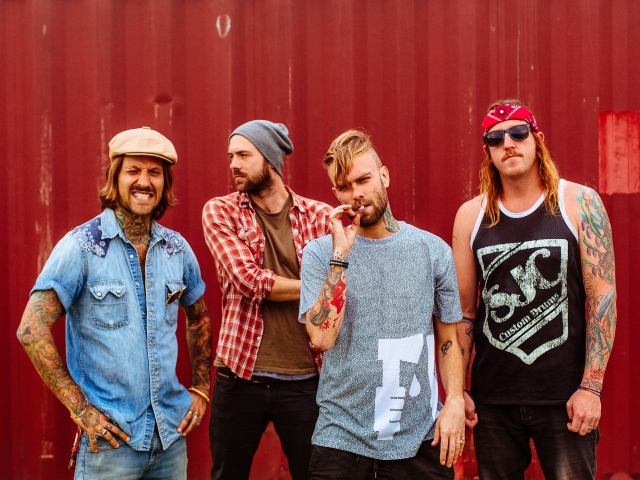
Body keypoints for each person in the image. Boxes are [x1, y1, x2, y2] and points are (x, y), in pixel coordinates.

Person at [16, 127, 212, 479]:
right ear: (115, 178)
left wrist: (201, 388)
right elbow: (31, 329)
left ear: (165, 182)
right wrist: (80, 409)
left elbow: (198, 317)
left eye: (154, 173)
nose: (144, 181)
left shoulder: (177, 250)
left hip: (170, 439)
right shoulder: (81, 247)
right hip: (109, 445)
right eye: (133, 170)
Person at [452, 100, 617, 479]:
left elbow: (602, 301)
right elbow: (464, 314)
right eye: (495, 139)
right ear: (487, 152)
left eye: (518, 133)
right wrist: (458, 392)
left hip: (567, 397)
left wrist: (591, 388)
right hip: (494, 400)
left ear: (537, 139)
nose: (508, 143)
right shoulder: (470, 216)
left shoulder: (579, 203)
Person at [299, 129, 466, 479]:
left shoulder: (433, 251)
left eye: (364, 179)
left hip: (419, 440)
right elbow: (322, 338)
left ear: (384, 176)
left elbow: (449, 339)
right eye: (344, 187)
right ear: (335, 194)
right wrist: (341, 256)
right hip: (341, 439)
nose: (356, 193)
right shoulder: (320, 254)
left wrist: (454, 401)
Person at [201, 120, 332, 480]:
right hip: (240, 377)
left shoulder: (321, 217)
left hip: (307, 379)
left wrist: (332, 285)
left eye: (244, 155)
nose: (234, 164)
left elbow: (348, 282)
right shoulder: (220, 211)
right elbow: (248, 280)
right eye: (231, 156)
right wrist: (321, 285)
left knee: (316, 475)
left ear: (271, 159)